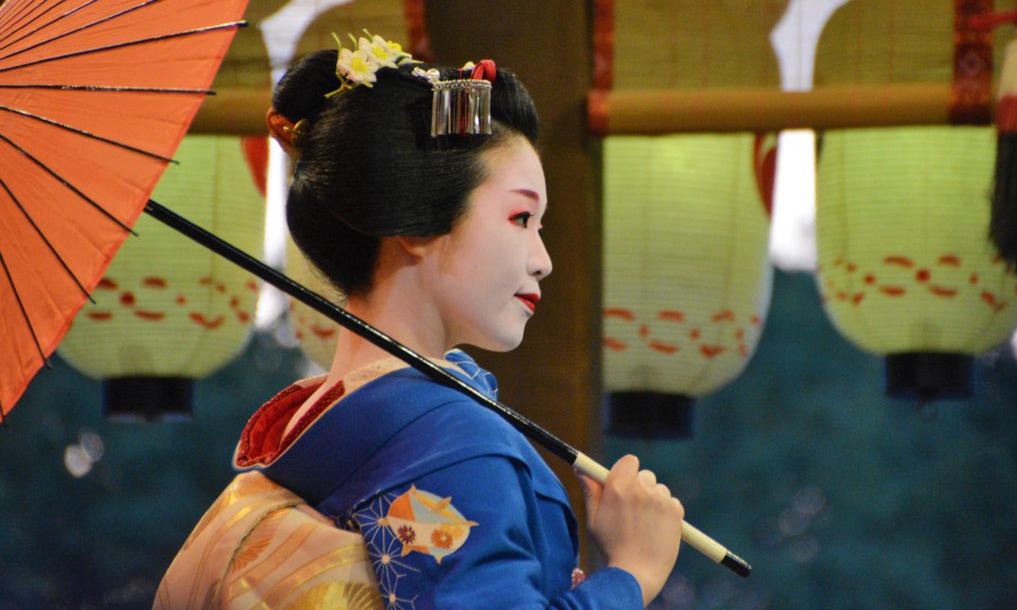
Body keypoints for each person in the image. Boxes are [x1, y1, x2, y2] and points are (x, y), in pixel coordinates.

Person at [184, 35, 684, 608]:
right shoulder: (456, 445)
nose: (543, 261)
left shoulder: (320, 433)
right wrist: (631, 573)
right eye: (521, 217)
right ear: (418, 224)